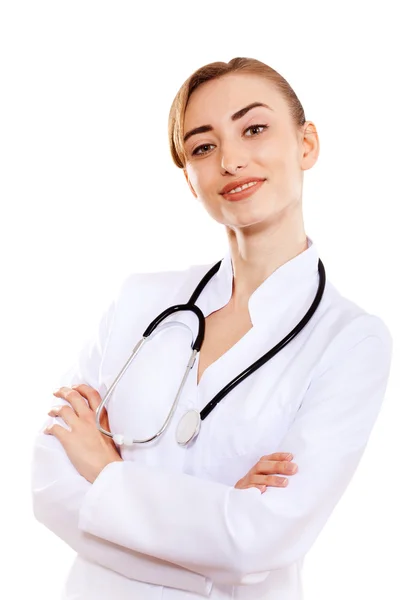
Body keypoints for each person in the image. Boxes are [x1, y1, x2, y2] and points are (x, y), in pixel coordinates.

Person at [31, 57, 392, 600]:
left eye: (254, 128)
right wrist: (216, 542)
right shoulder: (139, 301)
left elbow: (259, 542)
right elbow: (49, 484)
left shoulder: (352, 341)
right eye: (203, 146)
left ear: (306, 144)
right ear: (189, 179)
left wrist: (107, 474)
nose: (230, 159)